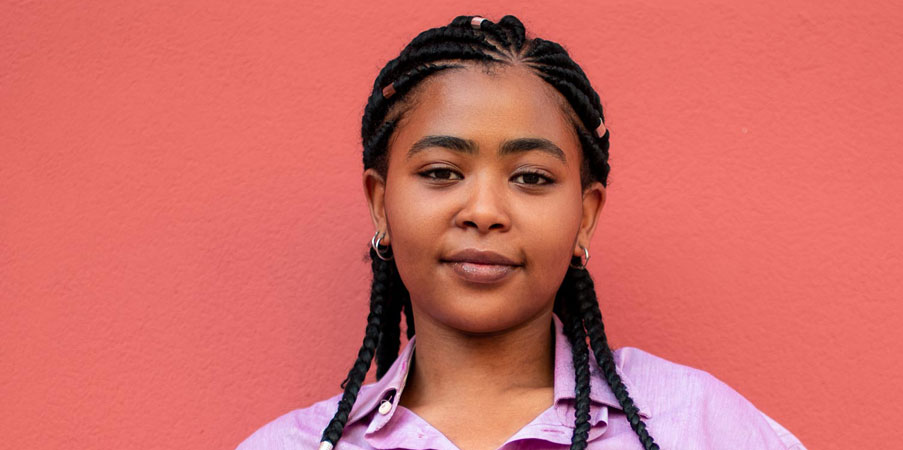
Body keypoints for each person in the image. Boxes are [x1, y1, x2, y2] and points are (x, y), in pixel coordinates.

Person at [237, 14, 805, 450]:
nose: (483, 211)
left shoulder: (697, 426)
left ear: (585, 214)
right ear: (381, 204)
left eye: (531, 177)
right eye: (441, 172)